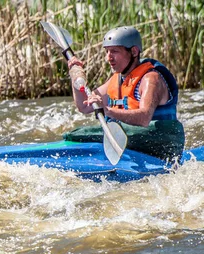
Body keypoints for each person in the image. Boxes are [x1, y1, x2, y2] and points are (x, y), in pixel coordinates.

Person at [64, 26, 184, 162]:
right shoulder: (117, 79)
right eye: (107, 51)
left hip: (161, 141)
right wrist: (75, 78)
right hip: (133, 139)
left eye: (114, 51)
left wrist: (108, 110)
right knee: (81, 133)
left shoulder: (151, 79)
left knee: (78, 135)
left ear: (133, 51)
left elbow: (144, 118)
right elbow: (84, 106)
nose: (108, 57)